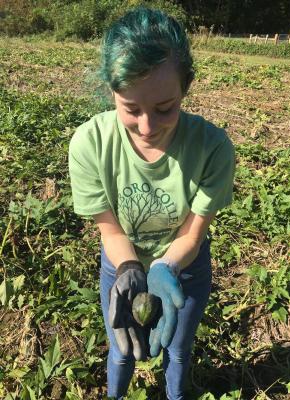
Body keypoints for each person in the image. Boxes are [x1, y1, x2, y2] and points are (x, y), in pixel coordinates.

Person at [68, 7, 235, 400]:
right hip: (120, 267)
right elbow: (109, 228)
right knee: (123, 349)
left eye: (165, 108)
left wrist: (164, 266)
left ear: (185, 88)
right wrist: (128, 266)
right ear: (112, 89)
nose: (147, 127)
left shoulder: (212, 147)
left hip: (185, 272)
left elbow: (194, 231)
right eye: (130, 108)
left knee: (177, 350)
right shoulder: (89, 144)